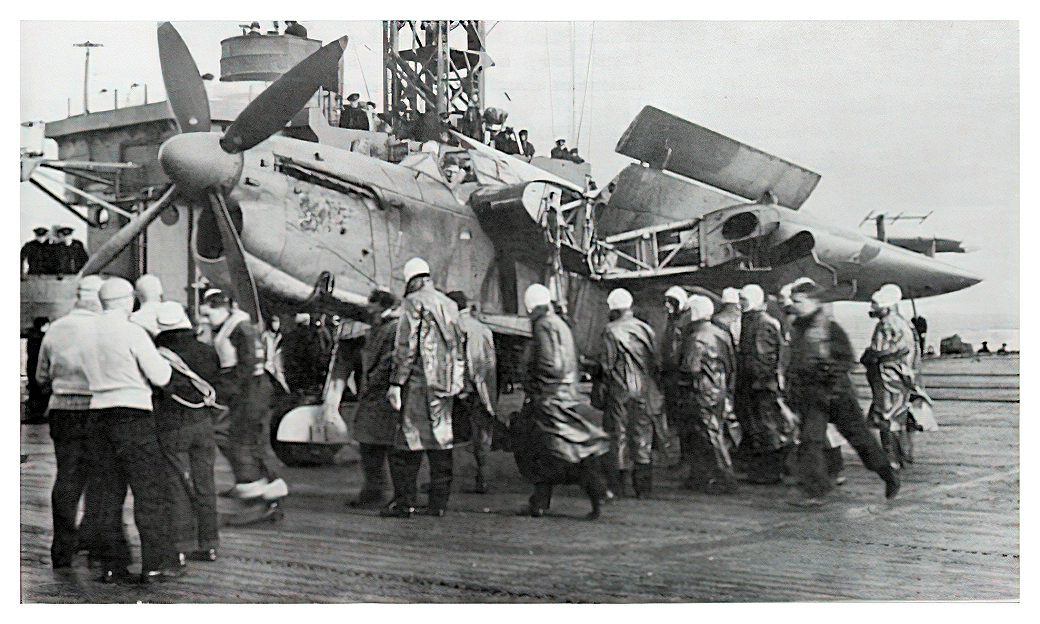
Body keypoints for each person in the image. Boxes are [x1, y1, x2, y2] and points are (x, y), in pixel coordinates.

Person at [82, 277, 177, 583]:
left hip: (97, 416)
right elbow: (161, 377)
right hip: (134, 417)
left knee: (108, 494)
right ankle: (154, 564)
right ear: (129, 301)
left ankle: (112, 565)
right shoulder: (133, 332)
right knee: (149, 492)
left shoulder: (85, 334)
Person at [784, 278, 900, 508]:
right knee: (810, 441)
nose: (793, 305)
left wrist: (830, 374)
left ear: (811, 301)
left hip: (837, 394)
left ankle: (887, 474)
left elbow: (847, 359)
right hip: (812, 394)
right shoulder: (798, 327)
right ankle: (815, 490)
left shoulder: (830, 328)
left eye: (797, 300)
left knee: (859, 437)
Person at [511, 284, 610, 519]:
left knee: (550, 453)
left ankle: (595, 490)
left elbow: (550, 363)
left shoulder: (543, 325)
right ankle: (547, 501)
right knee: (556, 452)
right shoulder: (560, 323)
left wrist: (536, 385)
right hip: (565, 397)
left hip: (549, 401)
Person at [382, 258, 465, 518]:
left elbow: (406, 346)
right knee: (441, 444)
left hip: (418, 384)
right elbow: (459, 346)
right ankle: (438, 504)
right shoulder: (450, 304)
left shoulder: (413, 302)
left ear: (412, 280)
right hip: (444, 385)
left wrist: (396, 383)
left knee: (406, 445)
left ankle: (404, 502)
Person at [34, 276, 102, 571]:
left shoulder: (56, 329)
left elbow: (41, 376)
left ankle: (61, 549)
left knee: (66, 478)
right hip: (99, 409)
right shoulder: (106, 328)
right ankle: (93, 541)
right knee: (101, 478)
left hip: (62, 411)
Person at [201, 289, 287, 524]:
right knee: (250, 443)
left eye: (208, 315)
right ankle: (268, 490)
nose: (206, 320)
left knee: (240, 443)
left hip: (248, 393)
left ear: (223, 308)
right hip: (248, 391)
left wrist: (228, 393)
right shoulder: (233, 326)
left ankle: (254, 499)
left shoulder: (241, 328)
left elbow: (248, 365)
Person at [153, 301, 222, 564]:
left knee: (176, 484)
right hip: (203, 423)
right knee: (205, 482)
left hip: (171, 423)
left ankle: (181, 545)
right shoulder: (206, 351)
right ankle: (210, 544)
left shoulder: (158, 353)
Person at [331, 289, 401, 508]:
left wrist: (372, 385)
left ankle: (383, 493)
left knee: (381, 446)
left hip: (382, 395)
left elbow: (388, 361)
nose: (367, 308)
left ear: (381, 305)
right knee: (372, 445)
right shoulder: (382, 327)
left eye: (371, 304)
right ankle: (377, 490)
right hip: (376, 396)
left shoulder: (392, 328)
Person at [597, 288, 667, 498]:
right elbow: (656, 361)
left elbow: (606, 365)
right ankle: (643, 487)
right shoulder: (646, 329)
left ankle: (616, 486)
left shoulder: (610, 331)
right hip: (644, 389)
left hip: (620, 389)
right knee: (642, 435)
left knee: (618, 435)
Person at [860, 284, 930, 470]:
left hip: (888, 377)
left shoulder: (887, 325)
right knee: (900, 415)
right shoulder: (903, 323)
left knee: (887, 416)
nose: (873, 310)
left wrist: (870, 356)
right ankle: (905, 456)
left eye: (876, 306)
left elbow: (886, 350)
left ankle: (891, 458)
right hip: (901, 376)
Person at [675, 294, 738, 494]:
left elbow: (689, 367)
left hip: (700, 392)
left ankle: (724, 477)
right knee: (711, 434)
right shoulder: (720, 333)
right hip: (717, 390)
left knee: (707, 437)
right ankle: (701, 476)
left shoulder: (695, 337)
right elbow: (731, 364)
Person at [734, 284, 794, 485]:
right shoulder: (754, 320)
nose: (740, 303)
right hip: (756, 384)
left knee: (766, 426)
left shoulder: (760, 323)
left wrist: (758, 380)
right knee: (762, 425)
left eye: (744, 299)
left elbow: (763, 358)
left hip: (760, 385)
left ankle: (771, 471)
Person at [446, 290, 498, 494]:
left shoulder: (453, 327)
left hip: (460, 391)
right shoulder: (484, 329)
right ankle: (482, 478)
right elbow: (489, 364)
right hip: (480, 390)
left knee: (449, 436)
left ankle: (446, 481)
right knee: (481, 436)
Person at [659, 285, 693, 464]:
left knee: (684, 418)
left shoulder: (684, 321)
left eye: (671, 301)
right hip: (671, 374)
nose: (667, 305)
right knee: (677, 418)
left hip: (679, 374)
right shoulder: (673, 320)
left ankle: (686, 456)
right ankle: (683, 455)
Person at [23, 316, 50, 423]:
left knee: (34, 391)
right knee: (39, 391)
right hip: (37, 367)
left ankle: (34, 413)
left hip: (32, 367)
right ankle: (38, 414)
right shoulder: (40, 338)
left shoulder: (32, 336)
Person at [260, 315, 290, 395]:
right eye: (274, 322)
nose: (276, 325)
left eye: (277, 323)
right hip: (268, 364)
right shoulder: (265, 336)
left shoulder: (280, 336)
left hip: (278, 362)